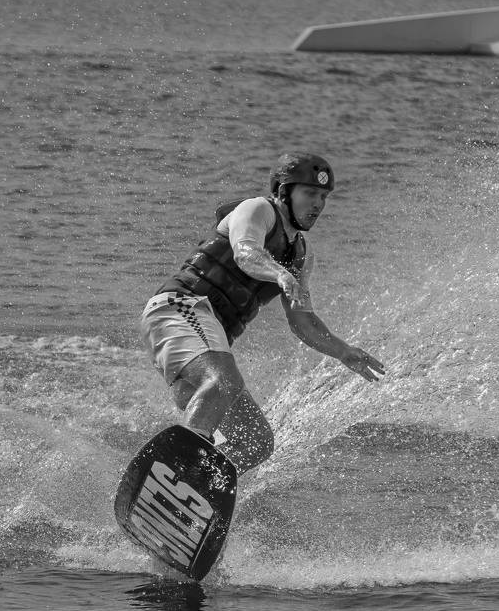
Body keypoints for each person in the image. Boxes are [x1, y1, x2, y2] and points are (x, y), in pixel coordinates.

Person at [139, 152, 385, 472]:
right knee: (222, 381)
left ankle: (195, 485)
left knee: (255, 441)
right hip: (180, 308)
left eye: (323, 197)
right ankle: (178, 470)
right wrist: (279, 274)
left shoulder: (301, 254)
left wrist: (343, 351)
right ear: (283, 191)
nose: (318, 204)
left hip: (204, 338)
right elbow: (246, 253)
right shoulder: (257, 209)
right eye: (310, 193)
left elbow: (302, 320)